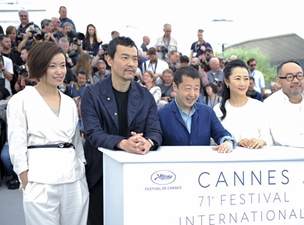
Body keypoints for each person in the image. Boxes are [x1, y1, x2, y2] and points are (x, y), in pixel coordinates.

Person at [81, 36, 162, 225]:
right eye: (125, 57)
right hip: (99, 174)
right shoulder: (92, 93)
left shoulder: (145, 96)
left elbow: (155, 132)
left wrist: (147, 142)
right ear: (109, 60)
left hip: (137, 176)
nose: (131, 64)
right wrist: (122, 143)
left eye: (135, 59)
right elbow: (93, 133)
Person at [7, 41, 88, 225]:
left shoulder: (69, 102)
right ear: (39, 66)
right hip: (39, 181)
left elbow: (76, 143)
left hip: (74, 180)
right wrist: (26, 181)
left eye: (62, 65)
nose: (59, 71)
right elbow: (17, 145)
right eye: (52, 66)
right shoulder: (20, 100)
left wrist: (81, 169)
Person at [158, 66, 236, 153]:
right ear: (175, 86)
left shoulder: (207, 112)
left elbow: (221, 133)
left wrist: (227, 142)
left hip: (202, 164)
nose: (192, 94)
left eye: (196, 89)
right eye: (188, 88)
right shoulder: (161, 114)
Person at [214, 59, 271, 149]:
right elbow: (214, 141)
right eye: (237, 78)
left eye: (246, 79)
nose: (243, 83)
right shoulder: (218, 109)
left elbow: (267, 138)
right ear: (226, 81)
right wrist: (234, 143)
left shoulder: (259, 107)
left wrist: (261, 141)